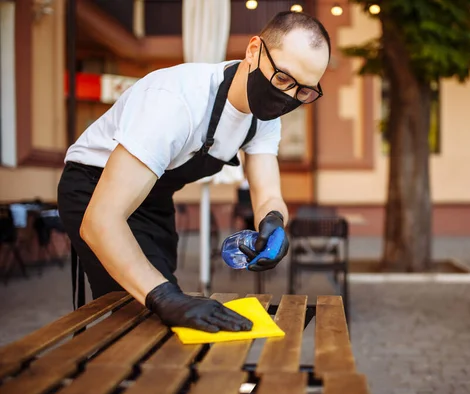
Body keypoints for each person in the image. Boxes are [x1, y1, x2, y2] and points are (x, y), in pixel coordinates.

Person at [57, 11, 331, 333]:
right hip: (93, 189)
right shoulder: (176, 101)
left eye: (303, 91)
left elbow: (268, 192)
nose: (287, 96)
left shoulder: (265, 118)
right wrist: (166, 298)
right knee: (138, 313)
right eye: (283, 79)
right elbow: (100, 220)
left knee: (159, 314)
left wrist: (273, 222)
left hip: (153, 197)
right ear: (254, 50)